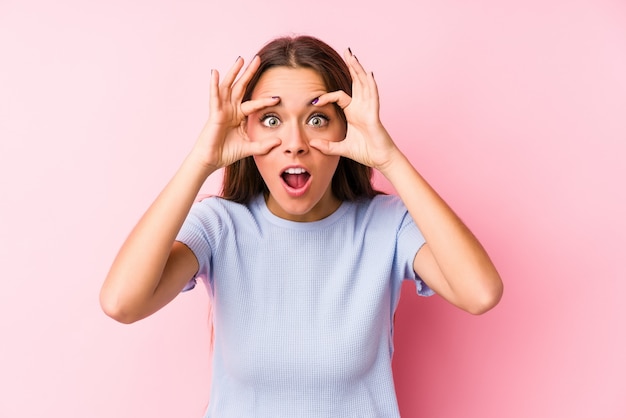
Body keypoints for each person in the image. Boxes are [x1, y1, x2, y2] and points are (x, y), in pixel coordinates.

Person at [100, 35, 503, 417]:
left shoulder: (387, 226)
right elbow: (122, 303)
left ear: (345, 129)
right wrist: (201, 160)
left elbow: (480, 292)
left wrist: (389, 159)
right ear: (246, 130)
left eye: (316, 118)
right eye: (272, 119)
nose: (295, 142)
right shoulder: (219, 226)